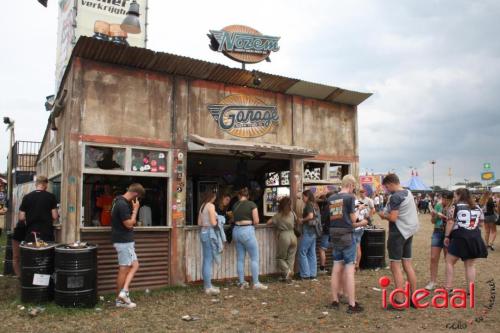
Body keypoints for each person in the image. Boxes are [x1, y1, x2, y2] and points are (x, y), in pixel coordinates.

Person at [378, 173, 419, 310]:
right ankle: (414, 298)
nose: (386, 190)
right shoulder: (408, 192)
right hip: (409, 232)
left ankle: (400, 300)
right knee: (407, 264)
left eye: (386, 187)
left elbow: (393, 218)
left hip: (398, 233)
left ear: (389, 184)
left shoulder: (395, 196)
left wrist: (383, 215)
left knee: (395, 266)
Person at [328, 175, 364, 313]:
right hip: (347, 236)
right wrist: (363, 220)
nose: (353, 189)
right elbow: (353, 220)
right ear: (350, 184)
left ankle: (335, 300)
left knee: (336, 268)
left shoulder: (331, 198)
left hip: (334, 235)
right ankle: (352, 304)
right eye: (353, 186)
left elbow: (336, 217)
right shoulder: (350, 198)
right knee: (349, 270)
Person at [444, 188, 488, 293]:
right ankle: (470, 290)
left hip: (460, 236)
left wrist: (446, 236)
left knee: (449, 261)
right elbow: (481, 223)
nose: (454, 198)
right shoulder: (478, 207)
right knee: (470, 265)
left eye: (455, 196)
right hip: (474, 236)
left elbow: (450, 222)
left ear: (460, 196)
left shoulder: (455, 207)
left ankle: (448, 288)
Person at [111, 183, 145, 308]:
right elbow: (129, 224)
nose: (137, 200)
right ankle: (123, 294)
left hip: (121, 240)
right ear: (136, 194)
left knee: (131, 266)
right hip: (124, 241)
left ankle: (121, 297)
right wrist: (136, 209)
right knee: (126, 269)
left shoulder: (117, 200)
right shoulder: (123, 204)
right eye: (138, 198)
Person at [232, 187, 267, 290]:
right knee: (254, 258)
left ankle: (242, 282)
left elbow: (234, 219)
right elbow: (256, 221)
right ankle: (256, 283)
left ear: (239, 195)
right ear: (248, 196)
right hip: (247, 231)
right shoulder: (252, 204)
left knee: (240, 259)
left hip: (236, 231)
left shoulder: (235, 205)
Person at [425, 191, 453, 290]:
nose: (444, 201)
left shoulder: (453, 207)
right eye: (443, 198)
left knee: (448, 259)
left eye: (446, 199)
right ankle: (432, 281)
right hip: (437, 231)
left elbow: (453, 221)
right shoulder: (438, 205)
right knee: (433, 258)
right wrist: (435, 215)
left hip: (449, 234)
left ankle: (447, 283)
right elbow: (433, 221)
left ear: (451, 199)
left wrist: (444, 217)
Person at [18, 176, 58, 242]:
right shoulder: (51, 197)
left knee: (32, 251)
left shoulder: (26, 197)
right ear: (45, 184)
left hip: (31, 233)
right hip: (46, 233)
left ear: (36, 184)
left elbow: (21, 217)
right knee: (45, 251)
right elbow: (55, 216)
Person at [267, 196, 297, 283]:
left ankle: (287, 271)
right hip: (293, 235)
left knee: (280, 258)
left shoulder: (278, 215)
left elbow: (268, 222)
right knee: (291, 257)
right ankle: (288, 277)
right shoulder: (293, 213)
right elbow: (297, 220)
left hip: (284, 236)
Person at [198, 190, 220, 295]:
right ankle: (208, 287)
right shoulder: (211, 206)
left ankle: (207, 284)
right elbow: (213, 222)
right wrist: (218, 221)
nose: (215, 199)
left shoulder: (202, 206)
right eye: (214, 197)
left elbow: (199, 222)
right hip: (209, 233)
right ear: (211, 197)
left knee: (206, 259)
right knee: (208, 260)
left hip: (203, 232)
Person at [297, 190, 318, 280]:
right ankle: (312, 274)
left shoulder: (309, 204)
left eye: (303, 197)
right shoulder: (315, 204)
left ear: (307, 196)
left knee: (302, 251)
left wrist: (302, 220)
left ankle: (305, 274)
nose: (302, 199)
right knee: (311, 253)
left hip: (308, 231)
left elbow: (310, 216)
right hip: (314, 231)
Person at [318, 192, 335, 274]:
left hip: (327, 230)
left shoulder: (327, 206)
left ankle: (322, 268)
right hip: (336, 230)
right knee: (335, 249)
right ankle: (335, 267)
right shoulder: (338, 206)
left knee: (322, 249)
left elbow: (322, 218)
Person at [353, 199, 369, 271]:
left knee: (353, 247)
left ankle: (353, 265)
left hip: (355, 227)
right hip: (361, 228)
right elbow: (367, 215)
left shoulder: (351, 203)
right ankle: (357, 265)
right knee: (358, 246)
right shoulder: (362, 203)